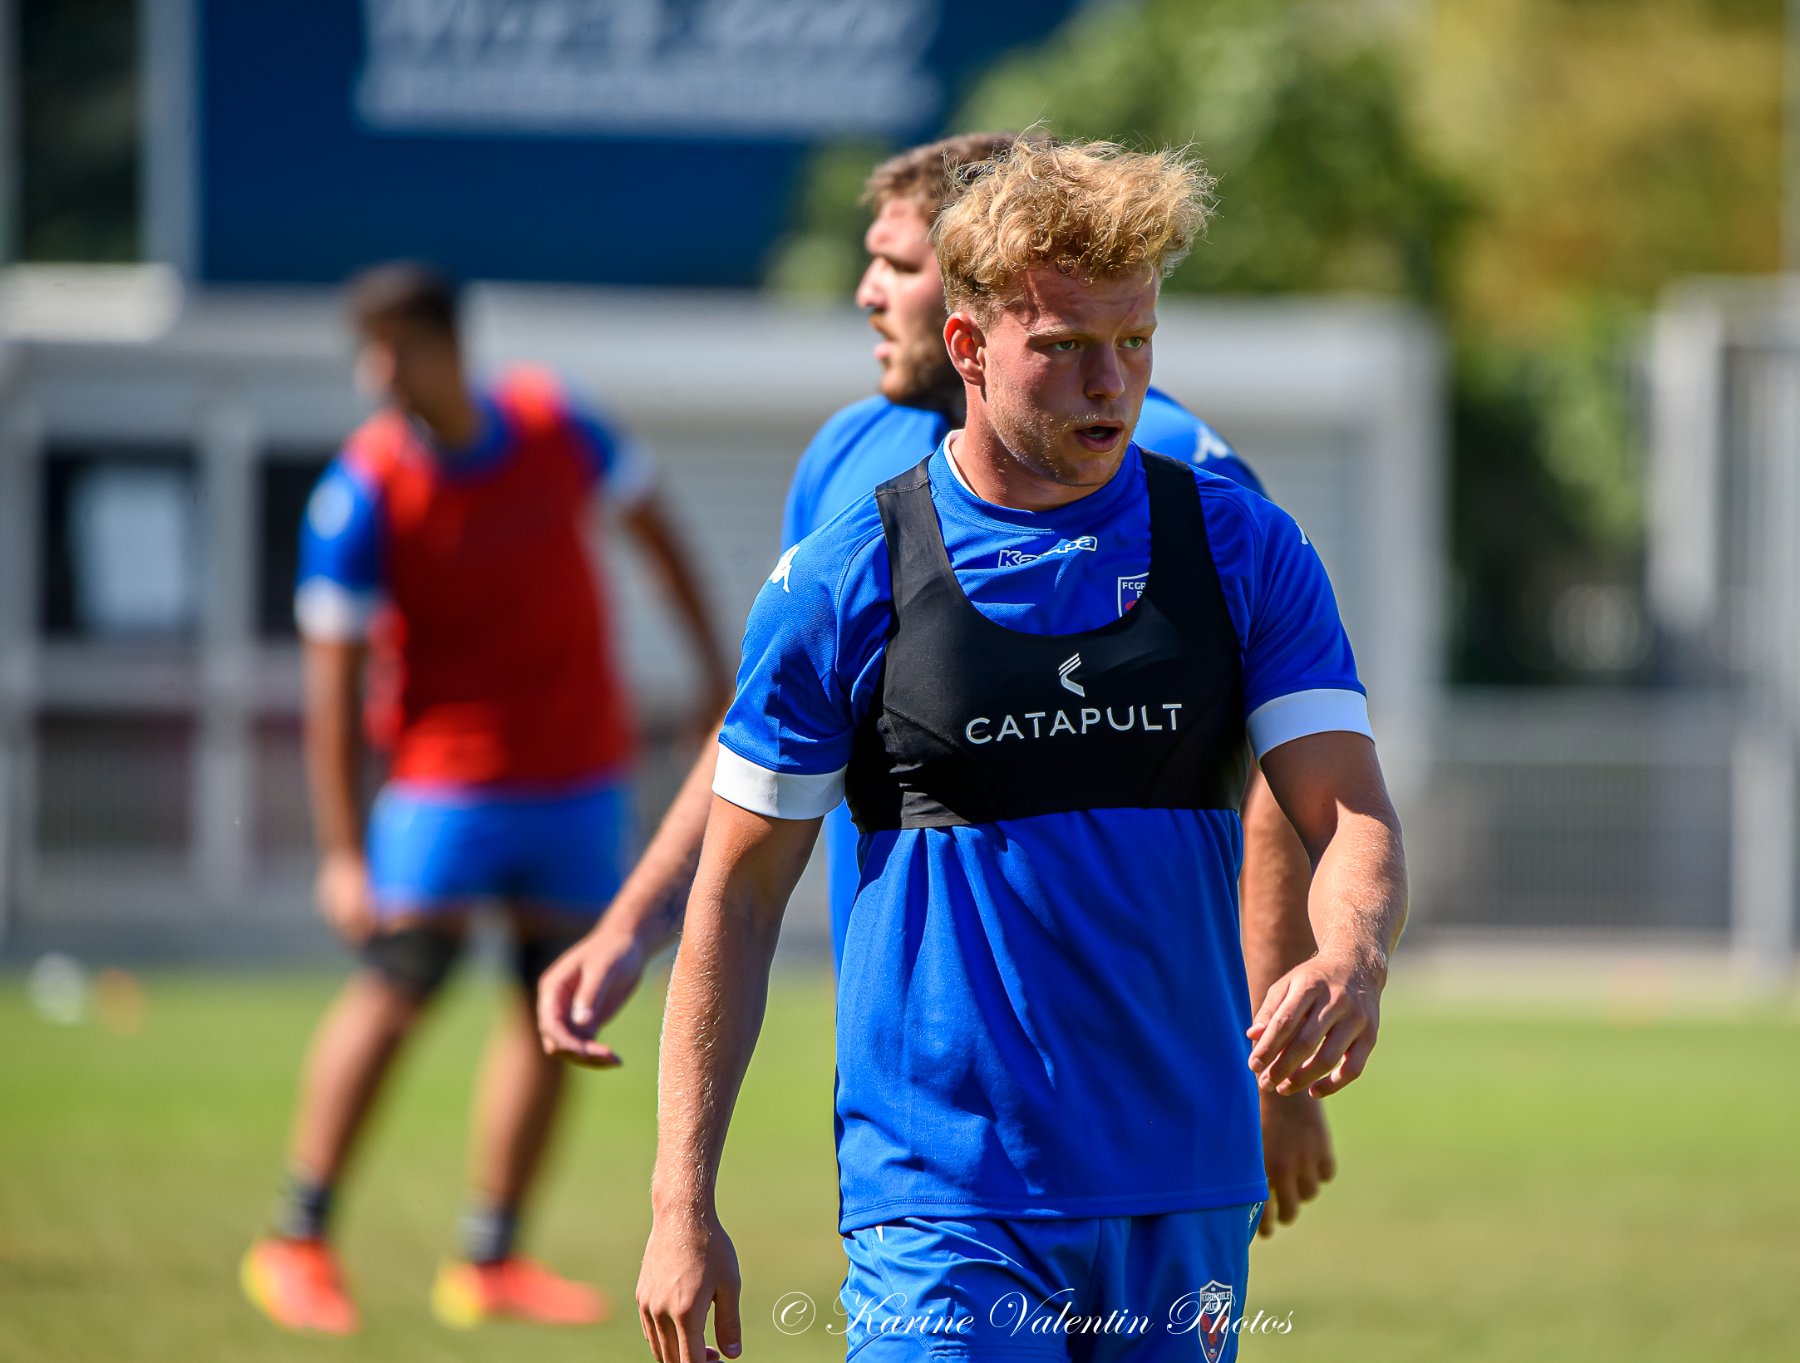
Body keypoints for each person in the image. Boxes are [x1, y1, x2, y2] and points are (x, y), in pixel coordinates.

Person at [634, 138, 1406, 1363]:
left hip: (1183, 1182)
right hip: (944, 1195)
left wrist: (1350, 957)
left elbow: (1345, 811)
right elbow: (734, 894)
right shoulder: (848, 575)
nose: (1111, 383)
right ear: (967, 347)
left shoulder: (1241, 549)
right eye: (1063, 348)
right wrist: (682, 1202)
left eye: (1135, 343)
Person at [238, 262, 728, 1335]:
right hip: (442, 784)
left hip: (575, 775)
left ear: (448, 345)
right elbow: (327, 687)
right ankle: (296, 1236)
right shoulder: (362, 487)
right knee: (398, 982)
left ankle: (490, 1258)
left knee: (549, 1002)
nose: (377, 372)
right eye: (367, 352)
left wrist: (710, 670)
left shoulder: (558, 427)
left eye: (393, 347)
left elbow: (661, 538)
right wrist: (337, 849)